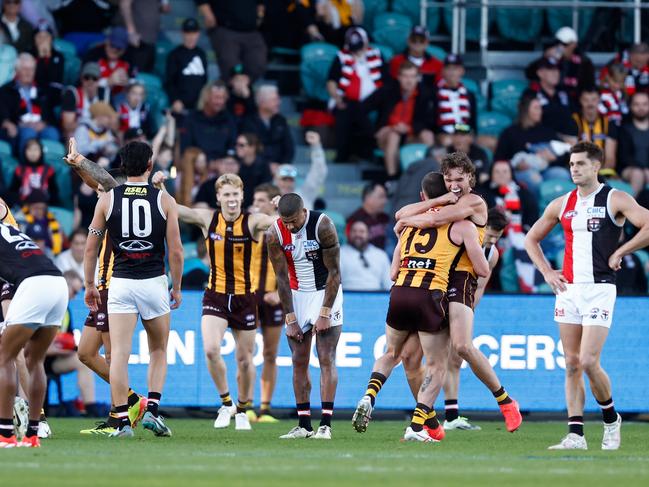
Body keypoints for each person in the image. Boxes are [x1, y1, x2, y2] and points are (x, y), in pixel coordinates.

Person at [525, 141, 649, 450]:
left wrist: (622, 249)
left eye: (580, 163)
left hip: (599, 289)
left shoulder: (615, 198)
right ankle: (576, 435)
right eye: (571, 164)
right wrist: (547, 272)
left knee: (590, 360)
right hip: (569, 290)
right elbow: (531, 239)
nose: (574, 169)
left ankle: (610, 419)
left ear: (596, 166)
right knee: (571, 363)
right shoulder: (561, 203)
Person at [351, 171, 489, 442]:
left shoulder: (408, 225)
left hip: (400, 293)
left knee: (393, 353)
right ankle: (417, 426)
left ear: (422, 197)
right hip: (430, 296)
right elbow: (481, 269)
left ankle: (370, 394)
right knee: (437, 364)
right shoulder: (459, 224)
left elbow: (392, 272)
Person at [392, 152, 523, 433]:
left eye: (459, 179)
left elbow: (431, 220)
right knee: (424, 358)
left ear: (470, 179)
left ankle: (505, 401)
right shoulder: (447, 199)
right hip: (437, 275)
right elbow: (400, 214)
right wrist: (419, 212)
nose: (454, 184)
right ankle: (426, 422)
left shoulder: (474, 202)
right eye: (449, 179)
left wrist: (408, 223)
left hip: (462, 277)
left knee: (462, 347)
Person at [151, 171, 275, 431]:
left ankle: (243, 409)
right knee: (210, 350)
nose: (231, 199)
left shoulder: (253, 222)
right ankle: (226, 402)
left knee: (244, 359)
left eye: (235, 194)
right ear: (218, 197)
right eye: (226, 194)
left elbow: (279, 222)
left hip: (244, 297)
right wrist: (160, 185)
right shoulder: (208, 218)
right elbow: (175, 209)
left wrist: (280, 207)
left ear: (243, 196)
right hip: (215, 295)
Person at [83, 141, 184, 438]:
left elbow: (92, 248)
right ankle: (152, 408)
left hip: (121, 282)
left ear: (123, 166)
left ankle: (122, 422)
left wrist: (90, 284)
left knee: (119, 355)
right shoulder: (165, 200)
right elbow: (176, 250)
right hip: (153, 281)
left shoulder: (107, 199)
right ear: (150, 165)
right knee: (158, 349)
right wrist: (176, 286)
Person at [63, 138, 147, 436]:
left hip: (115, 286)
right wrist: (78, 168)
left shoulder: (119, 198)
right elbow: (96, 183)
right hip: (102, 285)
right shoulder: (108, 200)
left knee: (113, 356)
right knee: (86, 352)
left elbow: (105, 183)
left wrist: (82, 160)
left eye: (102, 187)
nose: (97, 191)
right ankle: (134, 399)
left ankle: (117, 416)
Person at [266, 193, 343, 439]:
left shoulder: (323, 225)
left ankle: (326, 425)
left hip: (325, 292)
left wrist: (324, 314)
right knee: (298, 359)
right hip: (297, 294)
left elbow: (335, 273)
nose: (290, 226)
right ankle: (304, 425)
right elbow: (280, 278)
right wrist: (290, 318)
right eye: (285, 221)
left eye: (294, 221)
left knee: (326, 357)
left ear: (303, 212)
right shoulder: (274, 233)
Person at [0, 218, 68, 448]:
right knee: (34, 360)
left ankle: (5, 434)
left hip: (34, 285)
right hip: (58, 283)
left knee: (4, 356)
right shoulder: (10, 229)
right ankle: (33, 434)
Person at [441, 208, 508, 430]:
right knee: (428, 358)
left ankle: (451, 416)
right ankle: (424, 417)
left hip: (461, 304)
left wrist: (464, 313)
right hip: (437, 299)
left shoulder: (492, 254)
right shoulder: (461, 239)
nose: (492, 240)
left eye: (497, 237)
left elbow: (478, 289)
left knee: (455, 358)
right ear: (482, 227)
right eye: (490, 234)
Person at [364, 61, 434, 178]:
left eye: (412, 76)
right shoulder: (387, 91)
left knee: (428, 136)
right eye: (405, 76)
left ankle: (430, 176)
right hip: (388, 134)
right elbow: (362, 109)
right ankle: (392, 177)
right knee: (393, 135)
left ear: (418, 78)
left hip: (410, 134)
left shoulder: (425, 94)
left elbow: (429, 121)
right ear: (399, 77)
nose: (409, 80)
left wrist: (409, 128)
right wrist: (374, 131)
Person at [327, 27, 385, 162]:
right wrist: (337, 98)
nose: (357, 50)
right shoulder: (341, 56)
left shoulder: (377, 54)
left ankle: (347, 154)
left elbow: (386, 81)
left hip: (373, 101)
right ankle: (360, 152)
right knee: (348, 110)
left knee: (355, 110)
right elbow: (331, 81)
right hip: (348, 101)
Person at [494, 93, 571, 196]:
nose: (540, 111)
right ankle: (536, 210)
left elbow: (565, 154)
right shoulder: (510, 133)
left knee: (562, 174)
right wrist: (516, 166)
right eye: (536, 108)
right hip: (521, 172)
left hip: (546, 170)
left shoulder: (546, 131)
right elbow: (499, 159)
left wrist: (553, 158)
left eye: (540, 108)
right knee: (533, 178)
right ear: (526, 110)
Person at [251, 183, 283, 422]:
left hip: (273, 298)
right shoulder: (249, 224)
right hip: (249, 296)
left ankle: (265, 408)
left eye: (261, 200)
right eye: (255, 199)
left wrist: (281, 293)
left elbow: (293, 264)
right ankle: (245, 405)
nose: (256, 204)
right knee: (246, 353)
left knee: (270, 353)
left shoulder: (283, 228)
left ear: (272, 203)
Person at [196, 0, 268, 83]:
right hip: (225, 28)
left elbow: (261, 4)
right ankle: (234, 90)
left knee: (258, 63)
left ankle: (243, 88)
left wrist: (259, 17)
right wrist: (207, 13)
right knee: (231, 65)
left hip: (251, 30)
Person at [0, 53, 59, 153]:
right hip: (20, 127)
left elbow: (50, 115)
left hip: (40, 126)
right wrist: (8, 123)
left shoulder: (42, 90)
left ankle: (52, 167)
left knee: (52, 133)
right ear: (17, 70)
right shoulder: (6, 90)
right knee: (29, 133)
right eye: (24, 69)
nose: (29, 73)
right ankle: (27, 167)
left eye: (31, 69)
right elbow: (3, 114)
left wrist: (44, 123)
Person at [181, 81, 237, 161]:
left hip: (222, 166)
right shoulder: (192, 118)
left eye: (223, 98)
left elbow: (232, 145)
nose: (220, 102)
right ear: (206, 97)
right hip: (198, 163)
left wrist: (228, 159)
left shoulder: (228, 119)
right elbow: (186, 147)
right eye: (216, 97)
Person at [523, 57, 577, 140]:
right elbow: (527, 121)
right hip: (541, 140)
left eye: (557, 69)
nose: (556, 73)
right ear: (540, 73)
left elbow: (575, 115)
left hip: (569, 140)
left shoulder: (565, 93)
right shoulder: (531, 93)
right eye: (551, 70)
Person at [240, 84, 295, 166]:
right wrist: (267, 167)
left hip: (280, 169)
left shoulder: (281, 120)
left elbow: (289, 148)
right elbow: (249, 150)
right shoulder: (248, 122)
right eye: (274, 100)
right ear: (262, 103)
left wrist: (282, 166)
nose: (279, 102)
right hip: (257, 170)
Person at [273, 131, 327, 211]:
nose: (287, 184)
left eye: (291, 180)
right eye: (284, 179)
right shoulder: (268, 199)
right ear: (276, 180)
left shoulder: (304, 195)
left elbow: (318, 172)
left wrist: (316, 146)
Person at [430, 55, 476, 147]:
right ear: (443, 71)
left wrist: (465, 134)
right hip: (443, 134)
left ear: (462, 71)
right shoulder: (434, 93)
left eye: (455, 69)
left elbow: (472, 122)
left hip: (465, 133)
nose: (452, 73)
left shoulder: (469, 95)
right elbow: (432, 123)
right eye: (448, 69)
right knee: (449, 141)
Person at [165, 18, 208, 115]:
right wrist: (175, 100)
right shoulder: (174, 55)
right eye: (188, 33)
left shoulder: (201, 54)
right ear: (182, 33)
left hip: (199, 104)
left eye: (194, 33)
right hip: (181, 105)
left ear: (198, 34)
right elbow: (169, 82)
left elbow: (204, 79)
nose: (191, 36)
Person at [60, 62, 112, 138]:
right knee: (70, 135)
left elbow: (114, 123)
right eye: (87, 77)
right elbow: (67, 126)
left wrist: (107, 122)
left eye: (94, 78)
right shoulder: (73, 94)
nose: (90, 81)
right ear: (81, 78)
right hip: (78, 134)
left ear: (99, 81)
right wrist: (92, 123)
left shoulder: (104, 95)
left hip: (99, 135)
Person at [571, 87, 617, 169]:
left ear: (599, 100)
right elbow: (571, 154)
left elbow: (610, 158)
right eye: (586, 100)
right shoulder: (573, 121)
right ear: (580, 101)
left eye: (594, 100)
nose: (590, 104)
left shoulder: (609, 123)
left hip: (602, 170)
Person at [340, 220, 391, 291]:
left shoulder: (380, 255)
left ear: (369, 234)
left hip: (376, 298)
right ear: (349, 234)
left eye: (362, 231)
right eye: (354, 231)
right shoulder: (340, 253)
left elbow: (389, 283)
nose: (357, 234)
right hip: (347, 296)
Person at [8, 138, 59, 207]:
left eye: (35, 150)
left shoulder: (49, 169)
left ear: (41, 151)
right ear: (24, 152)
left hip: (43, 206)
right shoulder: (19, 169)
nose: (33, 153)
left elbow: (53, 191)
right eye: (29, 150)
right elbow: (13, 190)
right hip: (24, 206)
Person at [120, 0, 168, 73]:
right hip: (137, 41)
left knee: (147, 76)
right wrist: (131, 32)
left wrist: (164, 6)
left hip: (152, 39)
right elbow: (124, 4)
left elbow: (164, 8)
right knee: (136, 76)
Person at [83, 26, 131, 96]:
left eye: (118, 47)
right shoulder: (93, 54)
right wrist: (107, 82)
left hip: (118, 100)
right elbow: (84, 83)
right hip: (95, 97)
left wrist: (128, 83)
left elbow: (135, 84)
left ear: (124, 49)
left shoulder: (128, 59)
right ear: (107, 41)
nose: (114, 49)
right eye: (112, 45)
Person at [617, 92, 649, 195]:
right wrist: (643, 169)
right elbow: (624, 157)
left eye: (645, 104)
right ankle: (633, 209)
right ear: (631, 106)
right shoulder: (625, 129)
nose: (641, 108)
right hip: (629, 169)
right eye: (637, 104)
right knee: (637, 174)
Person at [346, 181, 389, 250]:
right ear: (368, 198)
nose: (385, 201)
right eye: (381, 197)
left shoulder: (385, 218)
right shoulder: (354, 220)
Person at [235, 133, 273, 208]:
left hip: (256, 206)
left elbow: (265, 188)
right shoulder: (234, 163)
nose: (237, 147)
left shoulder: (263, 166)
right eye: (237, 144)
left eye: (241, 145)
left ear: (252, 147)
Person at [32, 20, 64, 104]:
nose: (43, 40)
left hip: (53, 94)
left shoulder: (58, 56)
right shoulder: (29, 55)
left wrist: (48, 57)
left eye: (46, 37)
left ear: (51, 39)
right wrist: (40, 58)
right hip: (34, 91)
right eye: (39, 37)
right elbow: (35, 79)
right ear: (34, 39)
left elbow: (55, 79)